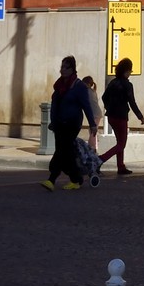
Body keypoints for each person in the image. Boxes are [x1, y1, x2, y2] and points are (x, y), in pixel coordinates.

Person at [40, 56, 97, 192]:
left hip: (72, 123)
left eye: (66, 67)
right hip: (59, 123)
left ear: (72, 69)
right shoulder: (59, 85)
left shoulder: (79, 86)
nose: (62, 70)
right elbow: (55, 105)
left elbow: (86, 106)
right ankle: (76, 178)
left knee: (61, 150)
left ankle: (51, 179)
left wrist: (92, 124)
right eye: (62, 67)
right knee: (66, 153)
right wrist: (53, 122)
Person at [99, 58, 144, 176]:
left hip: (111, 116)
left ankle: (121, 166)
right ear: (126, 71)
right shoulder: (128, 85)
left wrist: (109, 107)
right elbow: (132, 102)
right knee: (121, 144)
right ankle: (100, 159)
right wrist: (140, 116)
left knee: (119, 141)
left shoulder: (113, 83)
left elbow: (104, 97)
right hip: (121, 117)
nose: (130, 73)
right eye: (130, 70)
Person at [82, 76, 102, 153]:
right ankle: (93, 147)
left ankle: (92, 148)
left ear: (88, 84)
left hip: (95, 114)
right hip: (96, 113)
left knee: (92, 131)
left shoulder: (87, 92)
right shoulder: (93, 91)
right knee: (92, 130)